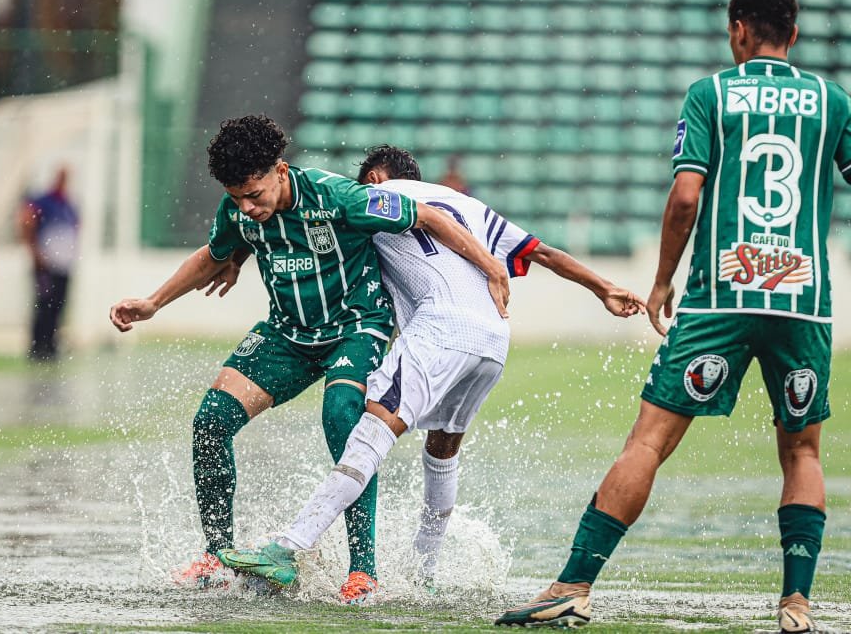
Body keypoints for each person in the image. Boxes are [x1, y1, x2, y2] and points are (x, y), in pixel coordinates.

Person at [495, 0, 848, 631]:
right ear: (793, 34)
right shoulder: (833, 101)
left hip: (722, 294)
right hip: (803, 299)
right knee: (802, 452)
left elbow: (687, 198)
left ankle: (573, 583)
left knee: (650, 441)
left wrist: (661, 281)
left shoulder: (711, 93)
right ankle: (796, 602)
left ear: (738, 29)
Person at [109, 115, 510, 604]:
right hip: (288, 333)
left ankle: (364, 570)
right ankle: (216, 556)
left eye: (254, 194)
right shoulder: (236, 211)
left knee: (342, 415)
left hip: (357, 326)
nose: (246, 207)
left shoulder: (338, 196)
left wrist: (490, 266)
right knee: (211, 420)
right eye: (236, 196)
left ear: (280, 170)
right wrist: (153, 303)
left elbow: (428, 216)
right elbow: (211, 256)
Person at [217, 145, 645, 594]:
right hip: (493, 339)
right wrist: (606, 288)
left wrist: (239, 254)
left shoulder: (376, 201)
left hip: (442, 327)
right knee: (443, 448)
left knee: (372, 431)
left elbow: (309, 230)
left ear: (377, 179)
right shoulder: (469, 205)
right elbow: (547, 254)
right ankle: (424, 573)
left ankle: (288, 547)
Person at [20, 166, 79, 361]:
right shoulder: (44, 201)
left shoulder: (69, 204)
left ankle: (52, 344)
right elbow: (26, 221)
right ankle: (38, 346)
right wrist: (35, 251)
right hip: (46, 263)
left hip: (64, 264)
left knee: (59, 305)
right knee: (44, 304)